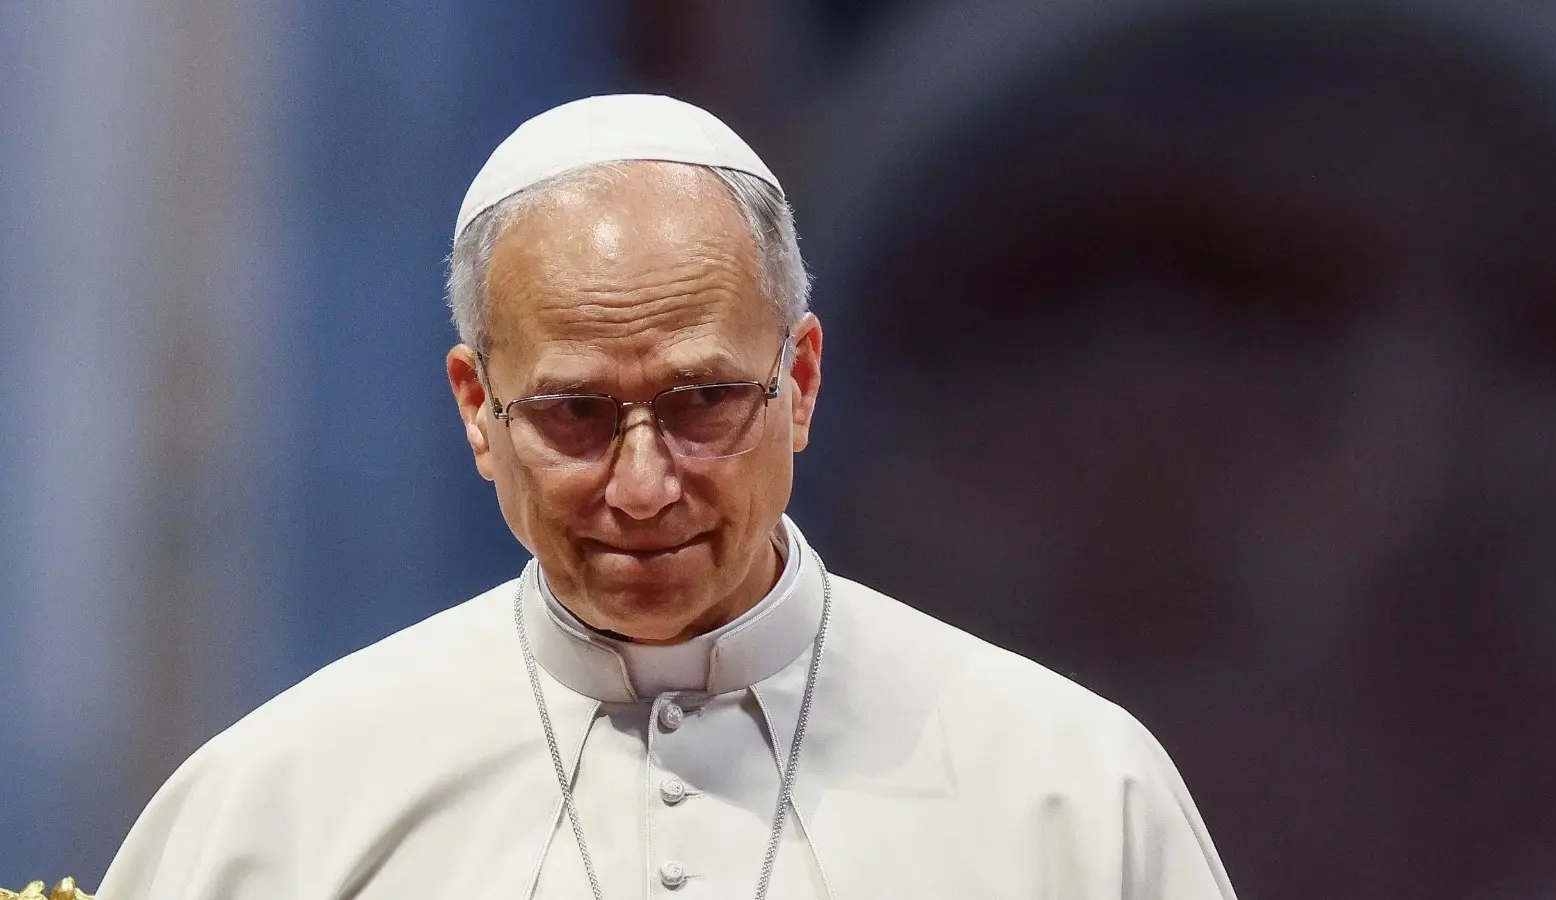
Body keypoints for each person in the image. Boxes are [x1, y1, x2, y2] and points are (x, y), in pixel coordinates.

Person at [98, 94, 1235, 900]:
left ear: (800, 381)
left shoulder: (1069, 791)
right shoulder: (280, 806)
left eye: (702, 402)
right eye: (575, 414)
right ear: (476, 410)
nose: (643, 489)